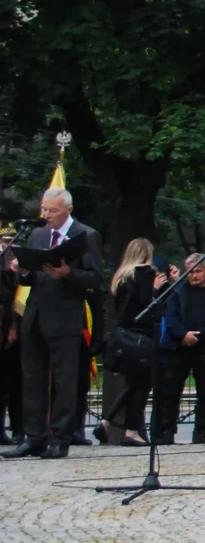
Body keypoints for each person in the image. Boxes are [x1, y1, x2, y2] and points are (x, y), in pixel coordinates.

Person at [3, 188, 106, 460]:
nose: (46, 215)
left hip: (66, 317)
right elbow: (30, 280)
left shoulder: (86, 235)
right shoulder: (38, 234)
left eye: (53, 210)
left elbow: (95, 278)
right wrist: (22, 270)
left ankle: (61, 438)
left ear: (68, 210)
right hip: (36, 315)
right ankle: (34, 437)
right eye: (44, 209)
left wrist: (68, 273)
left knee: (65, 381)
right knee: (32, 379)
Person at [152, 254, 205, 445]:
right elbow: (171, 315)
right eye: (190, 271)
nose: (194, 276)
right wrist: (183, 334)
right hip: (179, 346)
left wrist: (198, 335)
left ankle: (203, 431)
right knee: (172, 390)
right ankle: (167, 430)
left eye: (198, 271)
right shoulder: (178, 291)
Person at [99, 240, 163, 446]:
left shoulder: (122, 276)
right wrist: (157, 290)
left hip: (124, 334)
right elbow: (146, 305)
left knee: (133, 383)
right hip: (141, 336)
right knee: (142, 385)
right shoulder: (145, 273)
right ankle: (131, 429)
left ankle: (107, 421)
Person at [0, 226, 21, 446]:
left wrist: (14, 326)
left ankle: (18, 429)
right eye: (4, 241)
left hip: (11, 327)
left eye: (10, 241)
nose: (7, 245)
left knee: (12, 383)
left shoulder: (16, 263)